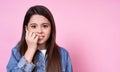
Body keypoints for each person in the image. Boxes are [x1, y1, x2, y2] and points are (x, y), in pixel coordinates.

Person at [6, 5, 73, 72]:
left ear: (51, 28)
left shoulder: (63, 54)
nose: (39, 31)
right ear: (26, 28)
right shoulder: (17, 52)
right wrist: (30, 49)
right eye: (34, 26)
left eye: (45, 26)